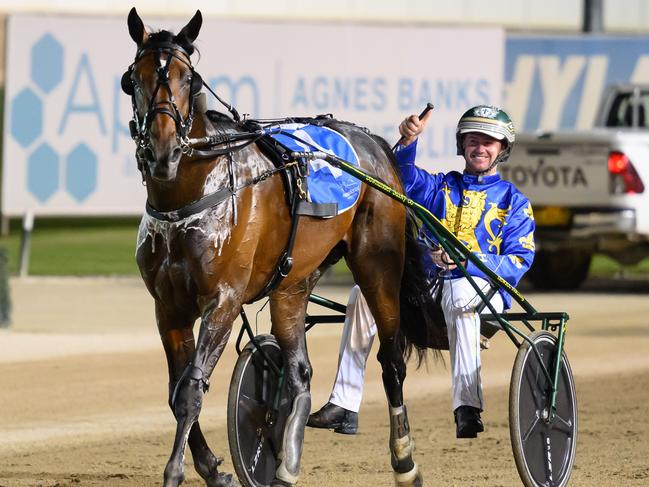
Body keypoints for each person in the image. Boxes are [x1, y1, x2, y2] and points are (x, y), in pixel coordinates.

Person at [307, 105, 536, 438]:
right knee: (364, 292)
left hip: (483, 299)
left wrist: (466, 261)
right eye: (473, 140)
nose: (480, 148)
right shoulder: (440, 187)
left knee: (460, 292)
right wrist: (408, 140)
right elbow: (398, 178)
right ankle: (344, 405)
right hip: (428, 296)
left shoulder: (514, 201)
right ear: (462, 145)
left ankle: (467, 407)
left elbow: (518, 261)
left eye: (489, 142)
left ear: (502, 149)